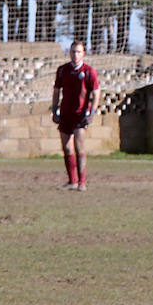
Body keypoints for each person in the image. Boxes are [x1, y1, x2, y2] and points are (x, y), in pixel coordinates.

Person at [50, 40, 99, 192]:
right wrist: (54, 109)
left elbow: (96, 93)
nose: (75, 55)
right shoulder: (62, 70)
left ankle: (82, 182)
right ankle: (72, 181)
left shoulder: (89, 71)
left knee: (79, 145)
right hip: (66, 113)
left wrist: (91, 112)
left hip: (80, 114)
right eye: (73, 51)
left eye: (78, 52)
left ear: (83, 53)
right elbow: (57, 91)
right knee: (66, 147)